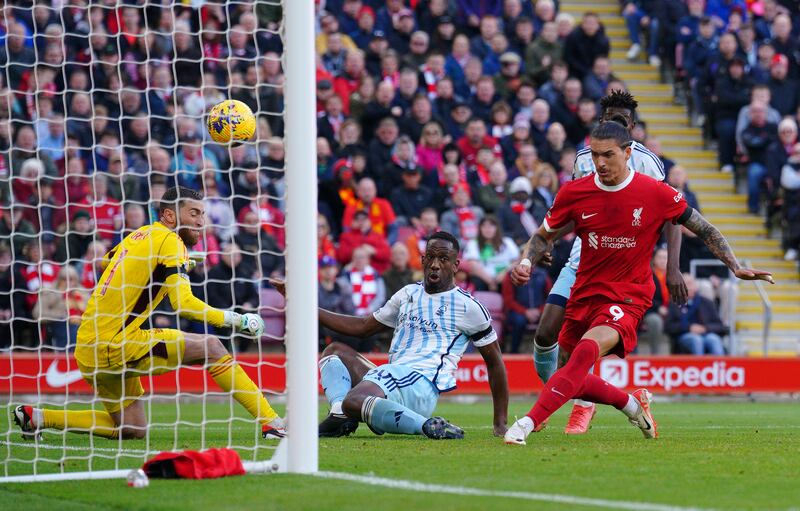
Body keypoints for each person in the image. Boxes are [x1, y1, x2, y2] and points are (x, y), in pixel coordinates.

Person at [503, 122, 772, 446]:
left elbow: (703, 228)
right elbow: (542, 236)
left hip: (629, 294)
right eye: (595, 155)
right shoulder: (575, 192)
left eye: (608, 155)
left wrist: (735, 266)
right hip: (585, 290)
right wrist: (526, 262)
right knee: (570, 373)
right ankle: (631, 404)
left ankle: (527, 424)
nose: (600, 163)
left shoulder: (655, 191)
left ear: (628, 153)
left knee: (586, 351)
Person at [14, 187, 286, 440]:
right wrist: (237, 320)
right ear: (169, 215)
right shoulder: (170, 241)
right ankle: (272, 422)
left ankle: (37, 417)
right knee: (213, 346)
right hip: (116, 343)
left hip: (89, 346)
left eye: (203, 214)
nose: (202, 221)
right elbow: (184, 304)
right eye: (193, 213)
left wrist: (168, 266)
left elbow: (110, 260)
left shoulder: (140, 234)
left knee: (132, 428)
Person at [530, 90, 686, 435]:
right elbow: (574, 209)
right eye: (611, 119)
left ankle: (580, 407)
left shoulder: (647, 162)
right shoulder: (584, 158)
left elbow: (673, 215)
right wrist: (548, 237)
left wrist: (672, 268)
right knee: (545, 333)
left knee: (589, 342)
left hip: (621, 265)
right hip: (580, 259)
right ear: (602, 122)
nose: (617, 124)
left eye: (623, 121)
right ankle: (565, 393)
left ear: (631, 127)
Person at [290, 231, 508, 439]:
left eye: (443, 259)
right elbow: (363, 326)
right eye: (430, 257)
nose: (435, 264)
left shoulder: (468, 307)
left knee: (354, 400)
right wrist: (308, 308)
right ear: (422, 260)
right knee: (334, 352)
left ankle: (426, 426)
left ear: (455, 265)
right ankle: (340, 413)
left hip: (421, 384)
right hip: (394, 376)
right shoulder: (408, 294)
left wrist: (500, 422)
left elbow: (495, 362)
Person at [665, 273, 727, 355]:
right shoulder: (675, 303)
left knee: (714, 339)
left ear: (696, 285)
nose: (688, 286)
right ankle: (700, 366)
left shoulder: (707, 302)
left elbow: (720, 326)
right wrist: (689, 328)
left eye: (690, 283)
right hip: (684, 335)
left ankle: (720, 366)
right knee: (697, 340)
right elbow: (668, 327)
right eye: (685, 283)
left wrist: (705, 328)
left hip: (706, 333)